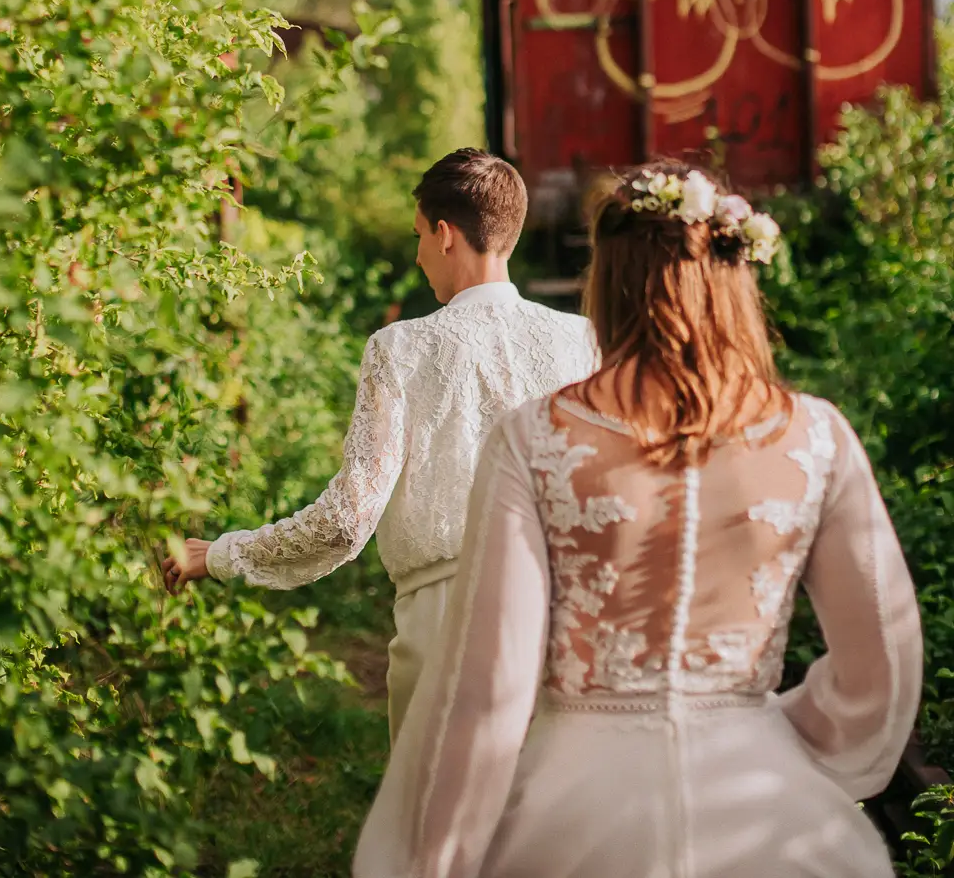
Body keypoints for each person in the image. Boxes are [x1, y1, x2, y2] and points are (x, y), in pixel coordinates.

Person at [354, 160, 923, 878]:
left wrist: (439, 857)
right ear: (736, 274)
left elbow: (491, 688)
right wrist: (773, 736)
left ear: (607, 284)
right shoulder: (818, 437)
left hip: (578, 810)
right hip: (762, 807)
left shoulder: (537, 440)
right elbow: (886, 666)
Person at [162, 147, 597, 740]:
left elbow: (346, 520)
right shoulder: (581, 341)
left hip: (447, 622)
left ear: (445, 235)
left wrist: (220, 554)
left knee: (440, 826)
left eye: (418, 234)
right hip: (565, 612)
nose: (418, 254)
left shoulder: (400, 349)